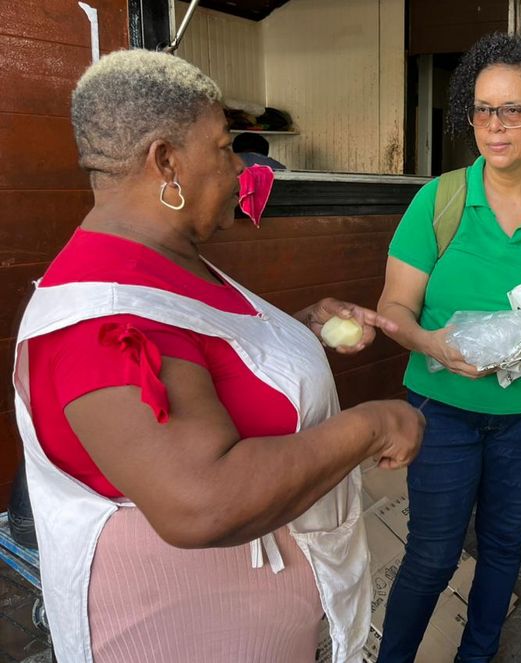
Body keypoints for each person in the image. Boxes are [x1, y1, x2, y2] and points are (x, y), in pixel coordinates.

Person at [12, 50, 424, 663]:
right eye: (226, 147)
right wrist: (373, 426)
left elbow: (212, 359)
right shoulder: (104, 323)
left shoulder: (165, 256)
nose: (240, 170)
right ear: (166, 160)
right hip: (180, 633)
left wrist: (300, 334)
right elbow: (202, 504)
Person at [375, 33, 521, 662]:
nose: (494, 125)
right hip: (442, 408)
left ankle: (475, 655)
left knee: (505, 545)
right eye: (482, 109)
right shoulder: (441, 200)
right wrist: (433, 343)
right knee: (432, 552)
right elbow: (392, 309)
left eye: (513, 110)